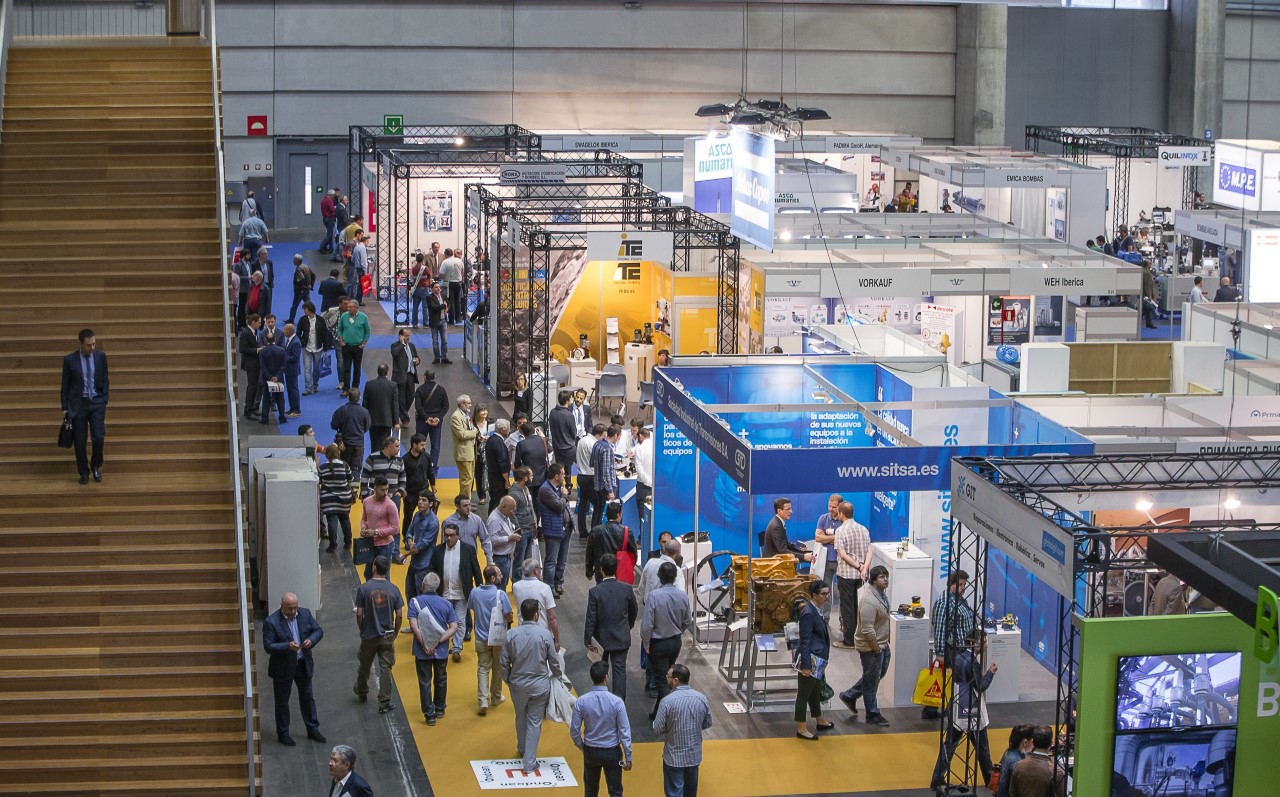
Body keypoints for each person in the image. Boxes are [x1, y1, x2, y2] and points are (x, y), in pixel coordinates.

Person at [500, 598, 563, 775]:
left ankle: (522, 748)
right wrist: (558, 676)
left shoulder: (511, 635)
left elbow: (503, 662)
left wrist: (508, 679)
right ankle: (529, 761)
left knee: (520, 716)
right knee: (535, 721)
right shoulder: (544, 634)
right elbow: (554, 660)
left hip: (518, 684)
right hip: (539, 686)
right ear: (536, 615)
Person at [930, 629, 997, 792]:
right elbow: (980, 686)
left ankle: (937, 779)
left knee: (949, 745)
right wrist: (990, 673)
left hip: (956, 706)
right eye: (983, 642)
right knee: (982, 747)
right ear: (973, 642)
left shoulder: (959, 657)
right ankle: (990, 779)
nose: (986, 645)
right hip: (971, 709)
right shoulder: (973, 662)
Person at [262, 592, 326, 746]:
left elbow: (318, 631)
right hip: (283, 667)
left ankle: (312, 729)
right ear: (281, 606)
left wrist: (311, 640)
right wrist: (287, 646)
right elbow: (268, 646)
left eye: (294, 608)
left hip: (302, 664)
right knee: (282, 701)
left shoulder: (305, 614)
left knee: (307, 697)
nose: (292, 611)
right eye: (289, 608)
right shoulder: (271, 622)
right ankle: (283, 733)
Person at [571, 659, 633, 797]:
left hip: (591, 750)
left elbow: (574, 730)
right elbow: (624, 731)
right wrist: (628, 755)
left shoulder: (581, 701)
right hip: (612, 751)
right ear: (606, 677)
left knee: (590, 790)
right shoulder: (617, 702)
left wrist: (582, 746)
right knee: (615, 791)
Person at [839, 565, 892, 726]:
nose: (885, 579)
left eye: (886, 576)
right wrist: (876, 649)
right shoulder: (869, 601)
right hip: (871, 647)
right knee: (871, 682)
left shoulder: (881, 595)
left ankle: (850, 695)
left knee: (874, 676)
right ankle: (872, 713)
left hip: (882, 644)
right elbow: (867, 630)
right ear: (873, 581)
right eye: (881, 577)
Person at [652, 663, 712, 797]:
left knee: (674, 792)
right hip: (693, 756)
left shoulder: (667, 702)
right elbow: (708, 722)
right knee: (690, 792)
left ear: (675, 680)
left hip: (674, 757)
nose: (666, 678)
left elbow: (657, 729)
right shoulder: (701, 698)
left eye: (668, 676)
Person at [354, 556, 404, 715]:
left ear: (374, 567)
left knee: (365, 664)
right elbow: (399, 614)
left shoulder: (364, 588)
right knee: (386, 668)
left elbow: (359, 613)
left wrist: (362, 629)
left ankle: (362, 690)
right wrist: (395, 632)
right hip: (387, 636)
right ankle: (384, 702)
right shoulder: (394, 589)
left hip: (369, 634)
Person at [585, 553, 639, 701]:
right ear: (616, 568)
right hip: (621, 637)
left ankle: (602, 701)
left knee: (601, 671)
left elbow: (591, 619)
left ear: (601, 569)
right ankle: (618, 703)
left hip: (601, 639)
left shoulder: (595, 592)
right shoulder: (627, 589)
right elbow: (634, 611)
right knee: (619, 671)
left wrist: (588, 640)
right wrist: (628, 626)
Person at [427, 523, 484, 662]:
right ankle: (441, 645)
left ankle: (457, 648)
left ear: (458, 535)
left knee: (460, 621)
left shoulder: (468, 549)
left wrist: (479, 588)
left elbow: (476, 570)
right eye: (446, 535)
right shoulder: (437, 550)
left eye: (451, 535)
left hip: (461, 593)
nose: (449, 538)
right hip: (443, 593)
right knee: (441, 621)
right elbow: (431, 570)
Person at [407, 571, 457, 727]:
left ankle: (429, 715)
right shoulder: (446, 604)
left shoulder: (415, 602)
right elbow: (454, 627)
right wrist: (438, 641)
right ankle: (440, 708)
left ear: (423, 585)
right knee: (441, 678)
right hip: (440, 650)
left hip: (422, 650)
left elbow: (414, 627)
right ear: (437, 587)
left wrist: (425, 644)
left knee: (425, 681)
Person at [61, 328, 109, 484]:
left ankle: (96, 466)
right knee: (80, 441)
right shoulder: (70, 360)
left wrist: (104, 399)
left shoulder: (100, 356)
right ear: (81, 344)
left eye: (94, 344)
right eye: (89, 345)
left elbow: (105, 379)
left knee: (98, 437)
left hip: (96, 402)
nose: (92, 347)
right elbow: (65, 385)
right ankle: (83, 472)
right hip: (79, 404)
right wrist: (65, 407)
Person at [643, 562, 691, 718]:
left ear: (660, 577)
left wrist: (646, 643)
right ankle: (657, 712)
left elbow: (647, 625)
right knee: (667, 676)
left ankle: (666, 716)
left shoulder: (654, 596)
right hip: (675, 642)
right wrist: (678, 631)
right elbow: (688, 621)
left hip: (658, 644)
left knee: (661, 681)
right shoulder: (683, 596)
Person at [467, 564, 514, 715]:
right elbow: (508, 615)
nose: (501, 576)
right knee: (497, 667)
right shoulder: (501, 594)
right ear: (493, 578)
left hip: (481, 637)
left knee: (482, 668)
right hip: (498, 637)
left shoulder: (474, 592)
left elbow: (472, 607)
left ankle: (483, 700)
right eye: (499, 575)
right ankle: (496, 696)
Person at [794, 579, 833, 741]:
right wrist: (806, 666)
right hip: (811, 660)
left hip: (819, 658)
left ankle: (819, 719)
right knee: (804, 694)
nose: (827, 597)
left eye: (828, 593)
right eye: (823, 594)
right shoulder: (809, 613)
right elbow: (805, 641)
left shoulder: (816, 610)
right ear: (814, 595)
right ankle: (801, 728)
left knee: (814, 691)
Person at [833, 500, 871, 649]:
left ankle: (849, 641)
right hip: (861, 576)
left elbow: (842, 555)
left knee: (847, 608)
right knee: (859, 607)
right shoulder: (863, 529)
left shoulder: (840, 531)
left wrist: (858, 566)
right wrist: (864, 568)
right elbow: (870, 550)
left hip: (846, 575)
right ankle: (860, 637)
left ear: (841, 514)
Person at [536, 463, 572, 597]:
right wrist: (564, 496)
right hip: (553, 530)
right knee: (551, 560)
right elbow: (558, 506)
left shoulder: (559, 488)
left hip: (565, 528)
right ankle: (549, 587)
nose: (564, 475)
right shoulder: (545, 490)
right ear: (556, 476)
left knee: (562, 560)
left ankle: (558, 582)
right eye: (563, 473)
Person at [513, 558, 562, 651]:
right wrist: (557, 641)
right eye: (540, 569)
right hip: (542, 635)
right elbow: (552, 617)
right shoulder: (545, 588)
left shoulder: (516, 587)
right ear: (535, 571)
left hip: (522, 633)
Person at [586, 502, 638, 583]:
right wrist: (630, 568)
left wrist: (589, 572)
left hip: (601, 573)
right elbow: (633, 554)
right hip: (620, 573)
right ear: (618, 514)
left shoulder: (596, 531)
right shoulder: (626, 532)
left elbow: (589, 553)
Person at [359, 477, 400, 580]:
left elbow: (395, 529)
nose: (385, 493)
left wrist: (375, 532)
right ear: (375, 488)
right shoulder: (366, 501)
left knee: (383, 576)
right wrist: (363, 528)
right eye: (382, 490)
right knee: (368, 574)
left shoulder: (390, 505)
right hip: (370, 543)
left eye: (387, 489)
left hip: (385, 546)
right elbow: (364, 519)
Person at [404, 491, 440, 602]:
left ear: (430, 504)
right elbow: (409, 532)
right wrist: (411, 543)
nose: (420, 502)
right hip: (414, 562)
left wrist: (405, 554)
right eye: (419, 499)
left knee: (421, 595)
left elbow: (422, 545)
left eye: (424, 500)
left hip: (424, 564)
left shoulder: (433, 522)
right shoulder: (417, 515)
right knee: (409, 592)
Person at [319, 443, 355, 553]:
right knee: (345, 519)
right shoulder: (344, 465)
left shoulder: (322, 468)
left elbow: (319, 481)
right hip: (344, 498)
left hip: (328, 499)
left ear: (327, 455)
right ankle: (348, 542)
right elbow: (351, 479)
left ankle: (333, 545)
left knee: (331, 521)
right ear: (338, 453)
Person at [813, 493, 843, 619]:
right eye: (829, 506)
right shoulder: (823, 519)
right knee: (825, 591)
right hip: (826, 562)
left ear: (840, 507)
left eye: (834, 507)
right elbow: (818, 537)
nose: (831, 509)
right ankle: (825, 618)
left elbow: (844, 540)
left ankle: (842, 619)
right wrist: (835, 538)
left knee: (842, 592)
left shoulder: (844, 521)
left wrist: (827, 538)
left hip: (841, 562)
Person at [1007, 726, 1059, 797]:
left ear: (1033, 742)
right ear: (1051, 744)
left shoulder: (1018, 765)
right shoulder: (1055, 772)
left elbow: (1012, 793)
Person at [400, 433, 436, 536]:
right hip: (410, 493)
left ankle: (425, 535)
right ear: (414, 445)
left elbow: (430, 473)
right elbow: (401, 476)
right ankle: (406, 537)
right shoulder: (405, 459)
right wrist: (403, 491)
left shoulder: (426, 456)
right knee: (408, 517)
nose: (424, 447)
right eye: (422, 445)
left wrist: (433, 489)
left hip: (424, 491)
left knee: (427, 515)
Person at [414, 369, 449, 469]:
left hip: (422, 421)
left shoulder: (420, 389)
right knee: (435, 445)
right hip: (436, 422)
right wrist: (438, 417)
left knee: (419, 443)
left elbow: (418, 407)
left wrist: (426, 418)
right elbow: (446, 406)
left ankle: (420, 464)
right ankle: (433, 467)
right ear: (434, 377)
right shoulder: (441, 389)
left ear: (425, 377)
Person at [507, 466, 538, 581]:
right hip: (522, 532)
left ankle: (525, 582)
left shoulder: (525, 489)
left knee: (527, 561)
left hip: (529, 529)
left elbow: (530, 507)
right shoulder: (514, 494)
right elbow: (511, 514)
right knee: (519, 561)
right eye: (531, 476)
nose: (532, 478)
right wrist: (518, 529)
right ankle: (516, 582)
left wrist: (534, 525)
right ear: (525, 478)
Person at [331, 388, 371, 474]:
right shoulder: (365, 412)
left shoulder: (342, 410)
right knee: (356, 471)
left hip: (344, 445)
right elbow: (366, 427)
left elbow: (334, 425)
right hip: (358, 444)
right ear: (359, 398)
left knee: (343, 469)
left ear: (348, 397)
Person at [761, 497, 814, 562]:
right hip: (773, 563)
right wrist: (804, 557)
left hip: (778, 560)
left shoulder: (778, 522)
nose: (791, 511)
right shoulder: (776, 526)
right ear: (779, 511)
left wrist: (798, 546)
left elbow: (784, 543)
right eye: (788, 509)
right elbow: (783, 551)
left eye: (790, 508)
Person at [590, 425, 621, 530]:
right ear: (616, 436)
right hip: (605, 488)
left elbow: (592, 463)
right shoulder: (607, 449)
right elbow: (606, 472)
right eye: (619, 436)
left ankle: (594, 533)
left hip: (597, 484)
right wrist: (610, 490)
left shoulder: (597, 444)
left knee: (598, 511)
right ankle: (599, 535)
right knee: (603, 514)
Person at [486, 496, 522, 587]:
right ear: (504, 506)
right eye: (511, 510)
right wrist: (509, 538)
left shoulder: (504, 515)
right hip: (500, 559)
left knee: (503, 584)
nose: (512, 512)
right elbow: (492, 540)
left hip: (505, 558)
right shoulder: (494, 520)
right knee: (500, 586)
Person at [444, 494, 491, 563]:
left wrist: (489, 560)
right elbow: (444, 544)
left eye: (469, 505)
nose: (468, 508)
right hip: (454, 560)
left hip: (471, 559)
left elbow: (485, 539)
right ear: (457, 506)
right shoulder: (448, 522)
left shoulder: (476, 520)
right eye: (465, 506)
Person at [362, 364, 400, 449]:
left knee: (374, 444)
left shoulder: (369, 384)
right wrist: (396, 422)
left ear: (378, 372)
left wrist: (364, 420)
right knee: (385, 445)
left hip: (373, 421)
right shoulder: (392, 385)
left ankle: (375, 457)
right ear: (387, 372)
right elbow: (394, 404)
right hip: (387, 421)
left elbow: (365, 404)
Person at [576, 424, 604, 538]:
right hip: (590, 477)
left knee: (583, 504)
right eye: (603, 437)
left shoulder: (582, 440)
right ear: (598, 435)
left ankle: (582, 531)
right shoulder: (593, 445)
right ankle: (594, 531)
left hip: (581, 476)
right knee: (598, 505)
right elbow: (597, 462)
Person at [297, 302, 331, 396]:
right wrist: (301, 342)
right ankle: (308, 388)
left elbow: (324, 334)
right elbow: (298, 333)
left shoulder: (320, 320)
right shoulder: (302, 320)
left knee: (316, 369)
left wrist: (325, 348)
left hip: (318, 348)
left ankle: (315, 384)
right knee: (307, 369)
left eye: (305, 309)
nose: (304, 311)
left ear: (309, 309)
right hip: (306, 348)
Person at [390, 327, 421, 428]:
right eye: (406, 336)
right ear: (401, 336)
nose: (408, 338)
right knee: (401, 398)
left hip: (411, 374)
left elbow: (416, 357)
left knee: (411, 396)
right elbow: (395, 354)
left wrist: (417, 361)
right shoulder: (395, 345)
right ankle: (405, 419)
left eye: (409, 336)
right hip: (400, 375)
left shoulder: (411, 346)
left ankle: (401, 412)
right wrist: (402, 344)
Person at [338, 299, 371, 391]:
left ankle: (355, 388)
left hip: (358, 347)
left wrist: (363, 343)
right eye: (348, 306)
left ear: (356, 308)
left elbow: (367, 331)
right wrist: (341, 341)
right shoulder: (344, 316)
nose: (348, 308)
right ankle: (346, 389)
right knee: (346, 368)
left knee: (357, 368)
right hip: (346, 346)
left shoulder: (363, 317)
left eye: (350, 307)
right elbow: (340, 329)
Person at [450, 394, 479, 500]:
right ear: (462, 404)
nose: (470, 405)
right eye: (468, 403)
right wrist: (475, 432)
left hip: (470, 451)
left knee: (469, 478)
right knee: (466, 478)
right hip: (463, 453)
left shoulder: (465, 415)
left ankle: (466, 500)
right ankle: (465, 502)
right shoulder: (456, 417)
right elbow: (461, 434)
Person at [995, 725, 1036, 797]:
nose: (1034, 745)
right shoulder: (1017, 763)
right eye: (1033, 742)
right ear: (1025, 742)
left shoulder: (1008, 752)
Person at [548, 390, 578, 487]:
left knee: (560, 468)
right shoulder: (569, 415)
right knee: (578, 465)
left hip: (557, 446)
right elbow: (574, 433)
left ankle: (560, 485)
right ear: (567, 401)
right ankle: (569, 484)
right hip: (569, 447)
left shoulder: (552, 412)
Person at [257, 331, 287, 425]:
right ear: (275, 339)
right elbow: (283, 365)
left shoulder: (262, 352)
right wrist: (277, 376)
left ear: (266, 340)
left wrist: (270, 377)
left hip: (266, 378)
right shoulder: (282, 351)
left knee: (266, 397)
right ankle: (282, 417)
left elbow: (262, 367)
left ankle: (265, 418)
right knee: (280, 398)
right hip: (279, 378)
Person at [485, 418, 512, 515]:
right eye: (508, 428)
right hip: (498, 477)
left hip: (492, 475)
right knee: (498, 501)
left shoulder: (491, 439)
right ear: (503, 430)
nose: (510, 430)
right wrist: (506, 480)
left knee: (494, 499)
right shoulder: (499, 443)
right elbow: (502, 462)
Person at [239, 314, 263, 420]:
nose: (260, 324)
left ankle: (250, 408)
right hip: (251, 364)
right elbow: (242, 349)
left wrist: (258, 346)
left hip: (254, 363)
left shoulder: (253, 332)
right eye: (259, 322)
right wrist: (257, 350)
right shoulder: (246, 333)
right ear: (253, 322)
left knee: (253, 387)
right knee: (252, 388)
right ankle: (249, 411)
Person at [513, 422, 550, 488]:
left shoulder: (521, 444)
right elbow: (550, 449)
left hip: (528, 478)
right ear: (535, 430)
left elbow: (517, 464)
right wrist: (540, 436)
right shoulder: (543, 440)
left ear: (523, 433)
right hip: (542, 477)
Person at [279, 322, 303, 417]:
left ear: (289, 331)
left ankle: (297, 410)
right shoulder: (290, 340)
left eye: (285, 330)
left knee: (293, 390)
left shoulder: (295, 342)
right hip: (289, 369)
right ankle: (292, 408)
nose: (283, 331)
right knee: (290, 390)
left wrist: (284, 357)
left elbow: (295, 357)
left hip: (292, 370)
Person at [633, 427, 654, 531]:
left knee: (643, 517)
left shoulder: (639, 448)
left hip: (643, 487)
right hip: (656, 485)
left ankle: (643, 538)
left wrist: (648, 482)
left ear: (640, 436)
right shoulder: (656, 446)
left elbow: (639, 468)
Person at [426, 280, 451, 363]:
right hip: (434, 321)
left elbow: (449, 304)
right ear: (432, 289)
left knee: (445, 340)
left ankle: (444, 357)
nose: (438, 288)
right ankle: (436, 357)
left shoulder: (443, 296)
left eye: (439, 287)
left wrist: (447, 308)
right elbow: (434, 307)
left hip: (443, 321)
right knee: (435, 341)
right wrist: (444, 306)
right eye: (436, 287)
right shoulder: (429, 297)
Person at [439, 248, 466, 321]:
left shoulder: (445, 262)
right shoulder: (459, 261)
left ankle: (451, 319)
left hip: (449, 283)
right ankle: (458, 318)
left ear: (445, 254)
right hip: (458, 283)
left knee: (451, 301)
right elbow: (462, 272)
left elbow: (441, 275)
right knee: (458, 301)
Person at [472, 404, 492, 506]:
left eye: (485, 410)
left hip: (489, 451)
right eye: (482, 410)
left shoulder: (491, 422)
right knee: (479, 474)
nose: (484, 412)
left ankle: (492, 493)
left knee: (490, 472)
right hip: (477, 452)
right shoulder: (472, 424)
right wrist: (478, 439)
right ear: (477, 412)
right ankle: (481, 496)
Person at [288, 254, 315, 324]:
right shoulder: (305, 266)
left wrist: (298, 288)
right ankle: (313, 318)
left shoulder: (299, 269)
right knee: (309, 305)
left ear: (297, 260)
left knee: (294, 306)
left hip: (300, 291)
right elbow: (313, 275)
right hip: (307, 290)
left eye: (294, 260)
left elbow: (301, 278)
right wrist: (311, 285)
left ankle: (291, 320)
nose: (293, 261)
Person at [409, 252, 433, 327]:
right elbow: (430, 276)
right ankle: (426, 323)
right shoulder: (425, 268)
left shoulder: (413, 268)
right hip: (424, 289)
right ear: (423, 259)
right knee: (425, 307)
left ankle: (414, 323)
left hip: (416, 288)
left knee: (415, 307)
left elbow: (412, 278)